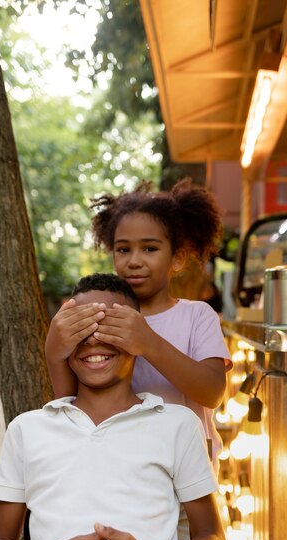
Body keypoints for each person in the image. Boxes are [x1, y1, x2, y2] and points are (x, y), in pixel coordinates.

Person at [0, 273, 227, 540]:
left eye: (111, 325)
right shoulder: (28, 429)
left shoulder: (177, 424)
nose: (94, 339)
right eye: (80, 327)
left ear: (137, 336)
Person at [45, 179, 232, 470]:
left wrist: (149, 343)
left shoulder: (197, 316)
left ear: (178, 258)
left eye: (149, 249)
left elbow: (213, 392)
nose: (134, 261)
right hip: (120, 463)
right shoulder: (98, 315)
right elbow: (70, 403)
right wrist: (54, 353)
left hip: (185, 469)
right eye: (123, 250)